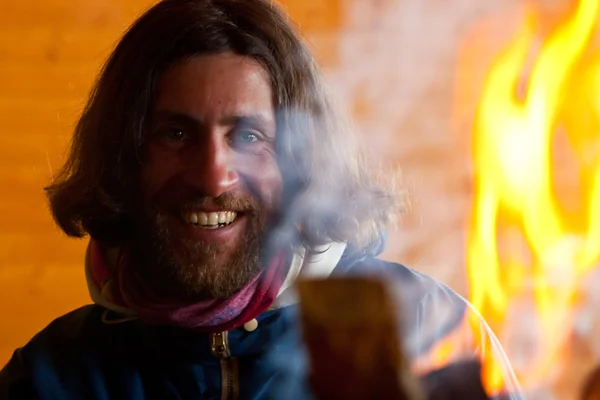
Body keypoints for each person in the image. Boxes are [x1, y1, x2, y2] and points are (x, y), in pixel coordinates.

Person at [0, 0, 524, 399]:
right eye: (175, 135)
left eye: (248, 136)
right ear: (125, 155)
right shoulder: (49, 379)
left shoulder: (431, 334)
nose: (212, 177)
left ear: (301, 162)